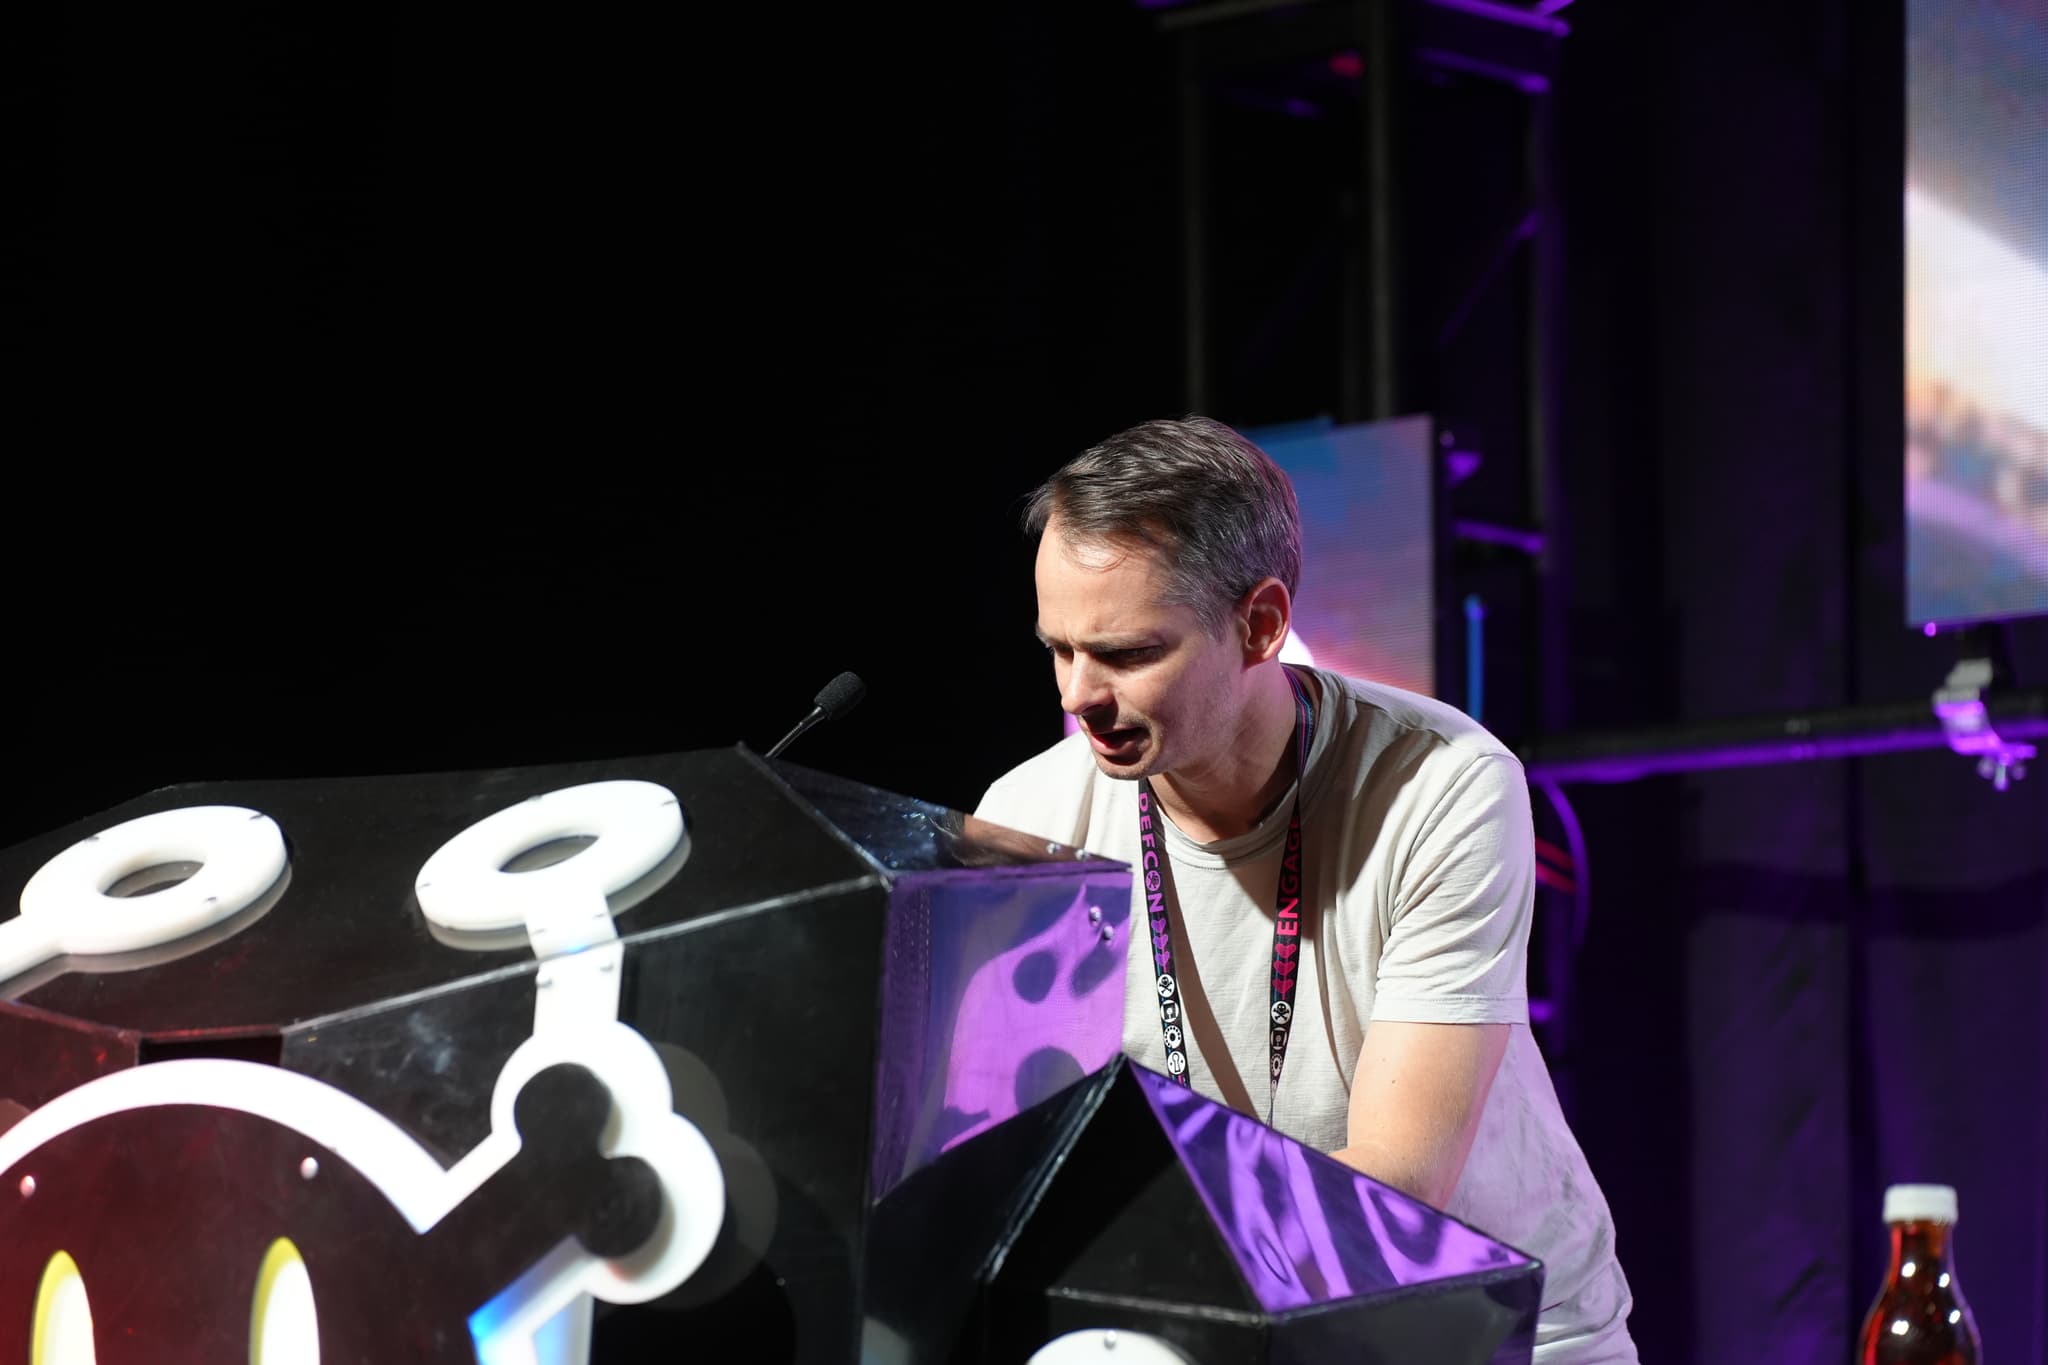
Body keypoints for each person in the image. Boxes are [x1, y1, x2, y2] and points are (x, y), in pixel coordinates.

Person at [974, 416, 1637, 1363]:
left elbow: (1392, 1194)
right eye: (1058, 649)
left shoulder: (1441, 782)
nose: (1078, 697)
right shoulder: (1028, 815)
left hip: (1489, 1329)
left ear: (1261, 624)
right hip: (1206, 1316)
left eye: (1124, 654)